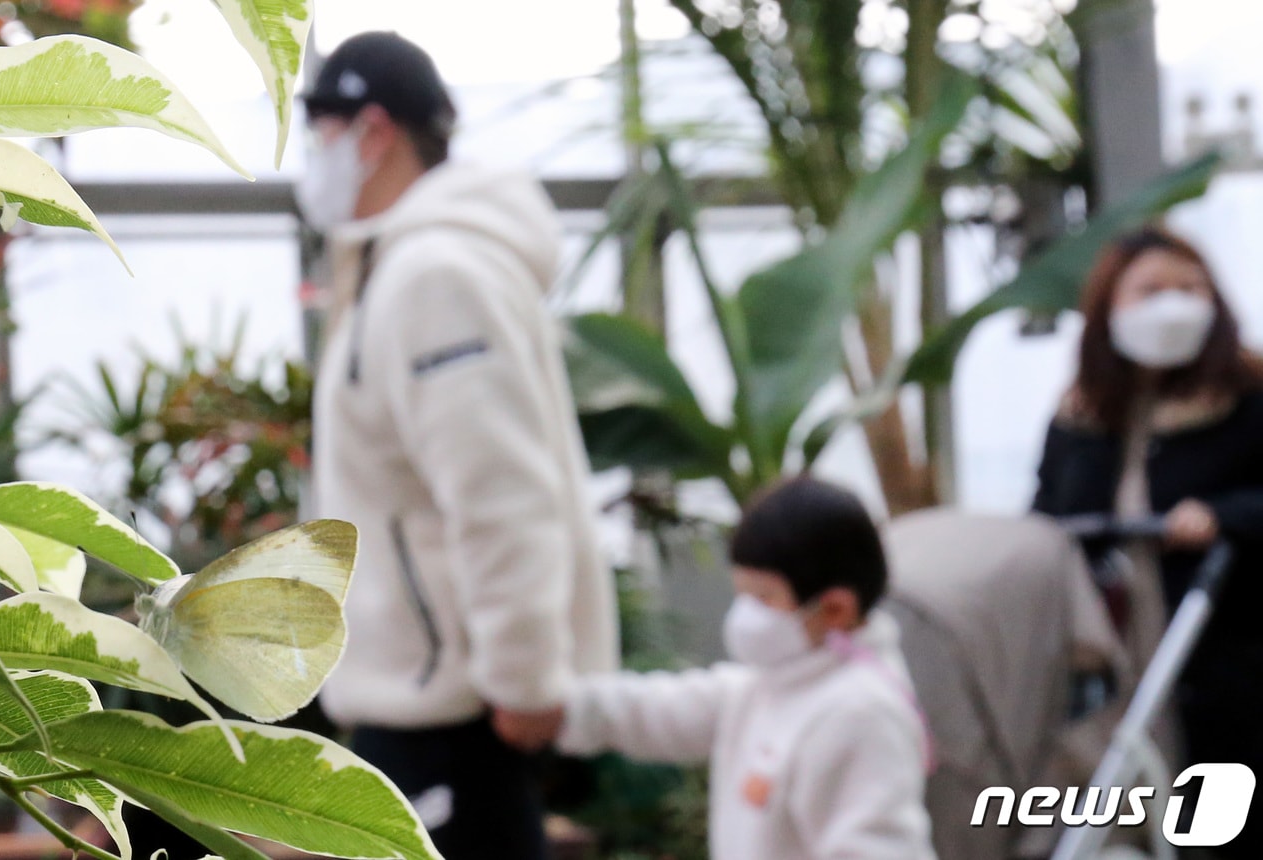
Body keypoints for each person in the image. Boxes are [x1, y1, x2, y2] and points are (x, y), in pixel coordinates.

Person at [295, 31, 620, 860]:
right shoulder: (402, 265)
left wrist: (522, 680)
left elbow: (499, 492)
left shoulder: (433, 276)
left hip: (453, 718)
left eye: (321, 132)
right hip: (430, 710)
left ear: (374, 133)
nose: (314, 157)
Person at [504, 476, 938, 860]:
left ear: (836, 608)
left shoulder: (861, 716)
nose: (746, 614)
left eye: (764, 599)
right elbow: (665, 711)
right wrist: (562, 709)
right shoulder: (773, 684)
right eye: (742, 594)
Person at [1032, 225, 1263, 857]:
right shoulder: (1083, 411)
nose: (1173, 304)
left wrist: (1222, 517)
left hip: (1222, 642)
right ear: (1110, 308)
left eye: (1190, 288)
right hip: (1114, 651)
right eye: (1151, 290)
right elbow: (1050, 517)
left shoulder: (1248, 397)